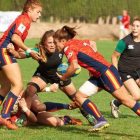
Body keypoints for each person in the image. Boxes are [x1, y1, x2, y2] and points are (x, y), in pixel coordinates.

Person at [53, 25, 140, 132]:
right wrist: (92, 67)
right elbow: (93, 43)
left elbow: (74, 66)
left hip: (107, 73)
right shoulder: (77, 42)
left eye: (56, 43)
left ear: (62, 41)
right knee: (80, 96)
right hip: (98, 75)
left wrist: (64, 78)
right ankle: (101, 120)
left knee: (127, 101)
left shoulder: (67, 47)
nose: (55, 45)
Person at [8, 30, 97, 126]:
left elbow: (92, 43)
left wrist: (91, 66)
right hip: (43, 75)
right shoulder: (39, 51)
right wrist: (11, 50)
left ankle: (87, 114)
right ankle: (23, 117)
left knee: (76, 98)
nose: (52, 45)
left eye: (54, 42)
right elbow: (19, 55)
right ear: (44, 43)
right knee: (30, 90)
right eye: (49, 43)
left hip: (60, 76)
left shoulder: (61, 48)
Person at [0, 0, 42, 130]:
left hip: (3, 51)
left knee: (6, 86)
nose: (39, 15)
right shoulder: (25, 20)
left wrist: (30, 54)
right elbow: (15, 39)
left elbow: (17, 51)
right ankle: (5, 117)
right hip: (4, 51)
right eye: (38, 12)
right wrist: (29, 50)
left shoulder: (23, 20)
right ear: (29, 9)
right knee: (19, 85)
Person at [2, 84, 82, 127]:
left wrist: (48, 89)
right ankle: (66, 119)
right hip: (30, 113)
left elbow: (30, 90)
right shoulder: (11, 120)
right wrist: (25, 108)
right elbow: (33, 120)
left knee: (37, 107)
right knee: (57, 123)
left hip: (31, 101)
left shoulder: (15, 98)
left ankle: (67, 106)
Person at [110, 18, 140, 118]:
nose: (134, 28)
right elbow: (114, 57)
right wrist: (116, 73)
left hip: (137, 71)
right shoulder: (125, 41)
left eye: (137, 26)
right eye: (133, 25)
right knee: (137, 96)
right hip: (125, 71)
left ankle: (116, 103)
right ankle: (116, 103)